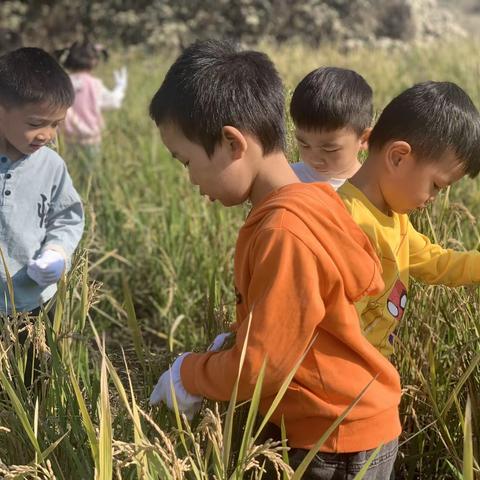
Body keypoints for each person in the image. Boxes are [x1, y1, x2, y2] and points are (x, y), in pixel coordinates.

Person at [148, 39, 401, 479]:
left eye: (186, 161)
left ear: (231, 143)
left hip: (334, 442)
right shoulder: (315, 201)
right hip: (348, 427)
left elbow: (260, 366)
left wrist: (190, 373)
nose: (189, 179)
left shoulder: (283, 231)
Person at [337, 81, 480, 358]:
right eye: (437, 185)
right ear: (399, 158)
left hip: (372, 372)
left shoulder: (395, 218)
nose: (434, 198)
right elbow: (337, 324)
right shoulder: (347, 220)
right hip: (346, 379)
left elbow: (436, 262)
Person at [0, 47, 84, 380]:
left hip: (32, 302)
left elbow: (67, 217)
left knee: (34, 380)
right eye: (36, 123)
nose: (46, 135)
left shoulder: (51, 166)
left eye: (56, 125)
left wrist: (56, 252)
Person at [290, 66, 372, 189]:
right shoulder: (288, 179)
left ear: (364, 139)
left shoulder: (369, 191)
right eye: (304, 145)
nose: (315, 159)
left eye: (330, 149)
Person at [60, 40, 127, 158]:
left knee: (70, 171)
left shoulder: (63, 82)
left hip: (67, 139)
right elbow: (113, 102)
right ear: (94, 61)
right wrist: (120, 88)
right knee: (91, 173)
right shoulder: (94, 84)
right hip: (91, 140)